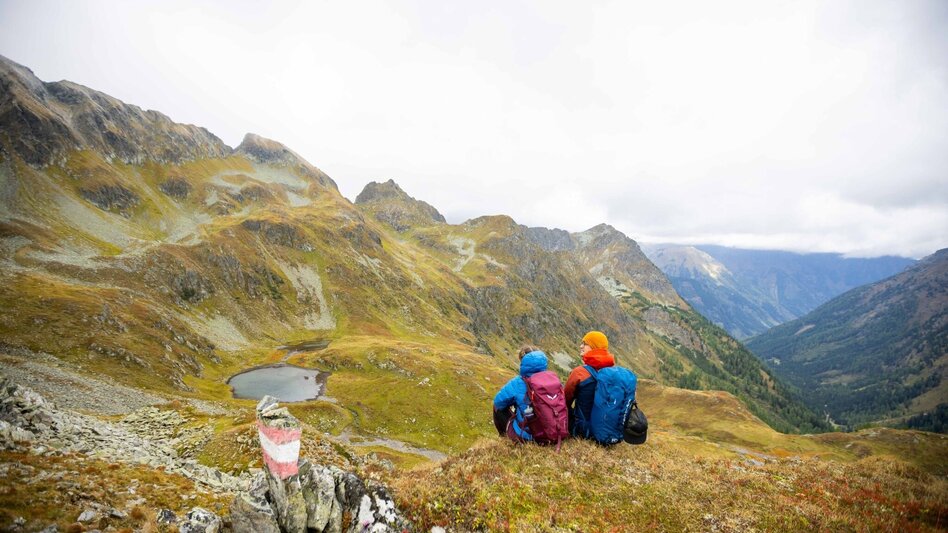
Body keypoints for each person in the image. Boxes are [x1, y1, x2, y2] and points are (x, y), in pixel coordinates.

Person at [492, 345, 548, 443]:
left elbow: (498, 402)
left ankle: (504, 436)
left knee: (497, 407)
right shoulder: (553, 379)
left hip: (529, 436)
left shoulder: (518, 382)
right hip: (552, 431)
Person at [564, 331, 615, 438]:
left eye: (585, 343)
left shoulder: (580, 372)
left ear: (594, 347)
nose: (581, 346)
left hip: (583, 431)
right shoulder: (613, 372)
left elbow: (565, 400)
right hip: (608, 429)